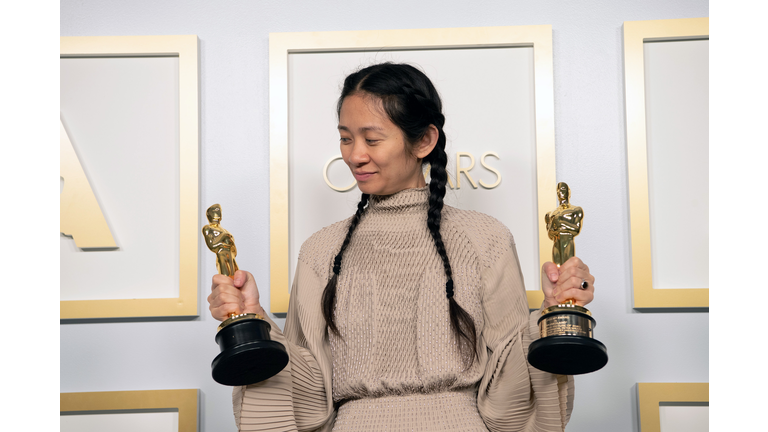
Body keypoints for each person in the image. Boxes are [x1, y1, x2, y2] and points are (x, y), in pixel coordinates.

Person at [208, 63, 596, 432]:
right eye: (345, 138)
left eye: (371, 139)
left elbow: (510, 389)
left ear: (424, 140)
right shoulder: (320, 251)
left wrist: (552, 315)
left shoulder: (486, 239)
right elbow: (306, 398)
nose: (355, 155)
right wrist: (253, 322)